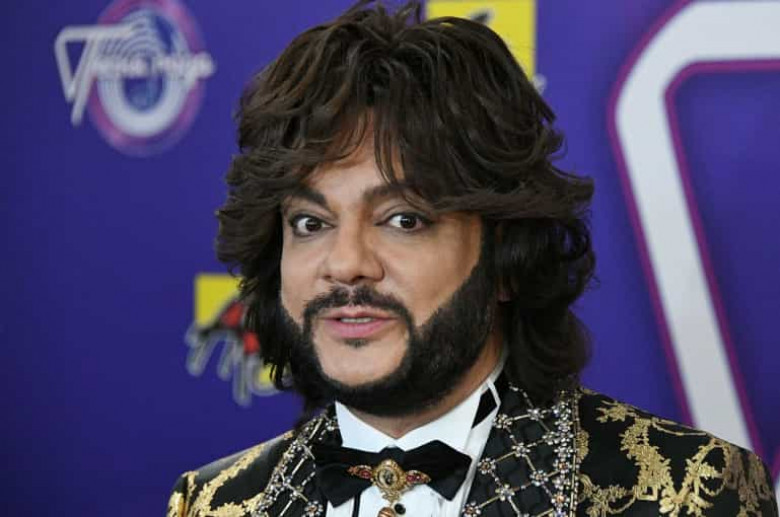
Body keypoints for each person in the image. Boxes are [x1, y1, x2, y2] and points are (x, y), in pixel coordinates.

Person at [167, 1, 777, 515]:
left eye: (403, 220)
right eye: (311, 223)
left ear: (506, 257)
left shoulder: (689, 492)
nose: (346, 263)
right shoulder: (212, 503)